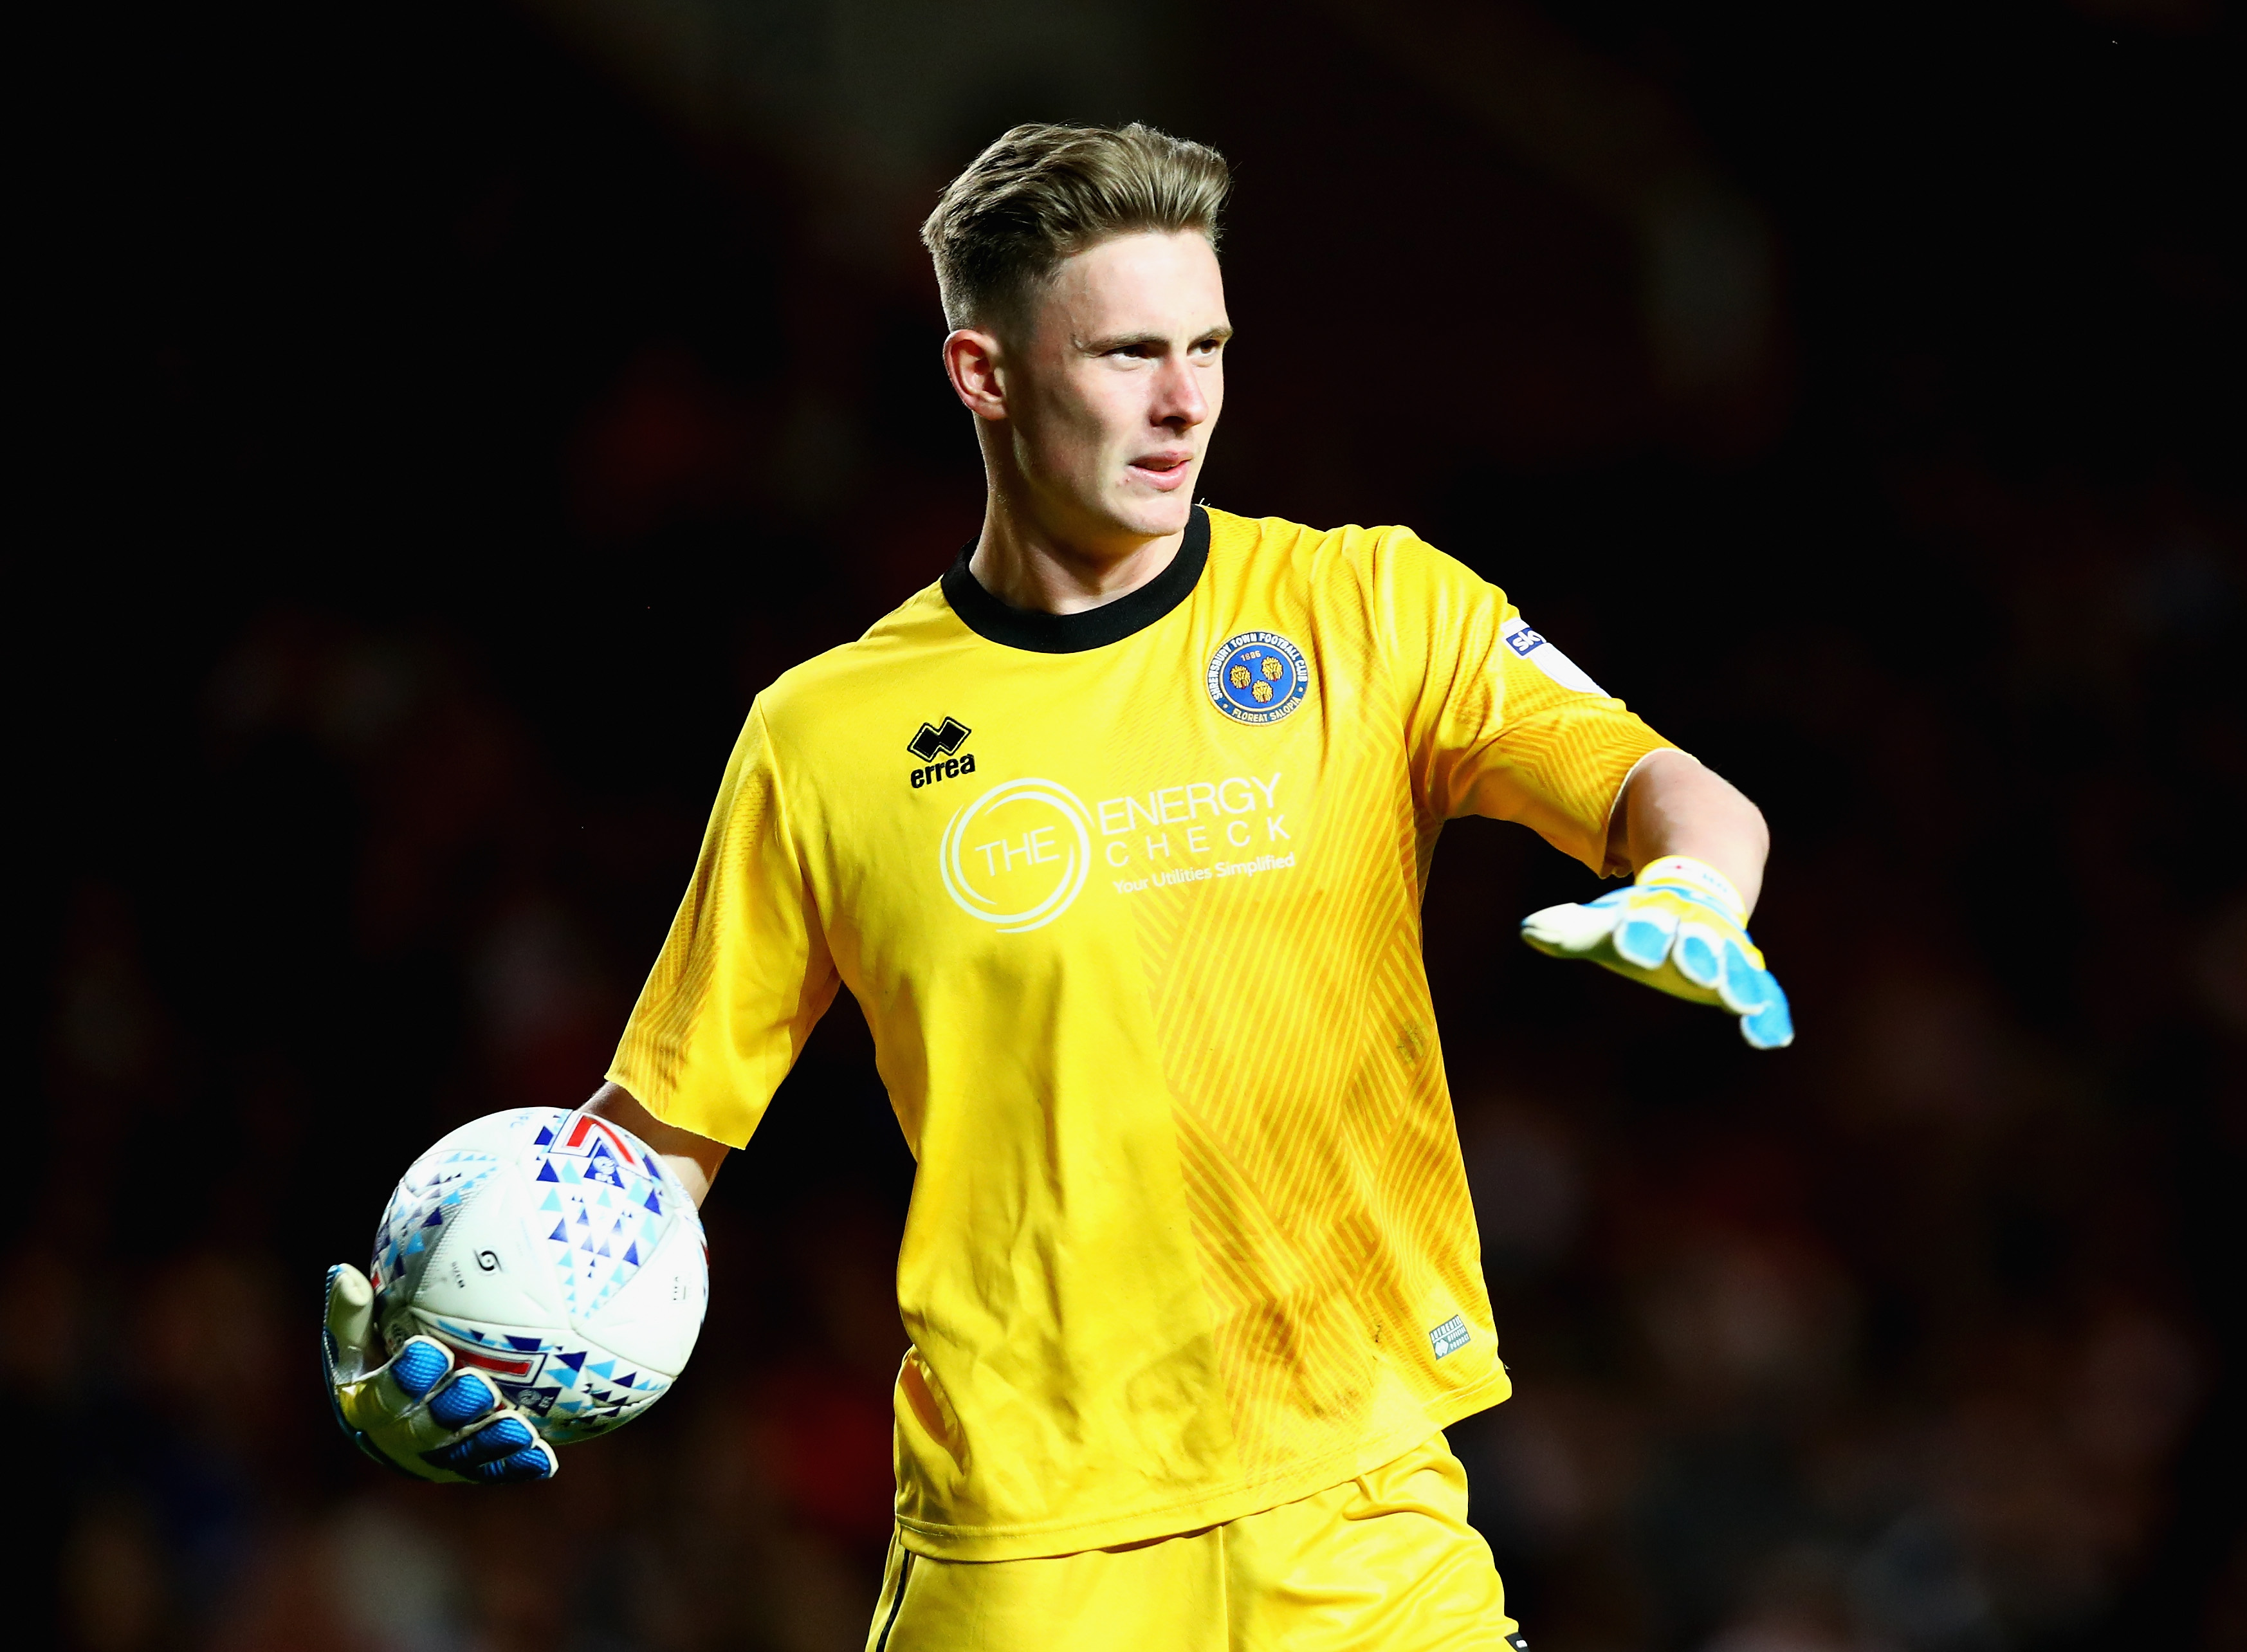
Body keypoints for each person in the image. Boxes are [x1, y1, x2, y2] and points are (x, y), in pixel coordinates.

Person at [322, 122, 1790, 1650]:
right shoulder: (823, 736)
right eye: (1127, 354)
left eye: (1209, 344)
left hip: (1365, 1524)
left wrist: (1695, 887)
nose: (1184, 402)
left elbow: (1672, 792)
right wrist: (454, 1348)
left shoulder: (1365, 607)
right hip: (1023, 1563)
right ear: (986, 373)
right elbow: (651, 1150)